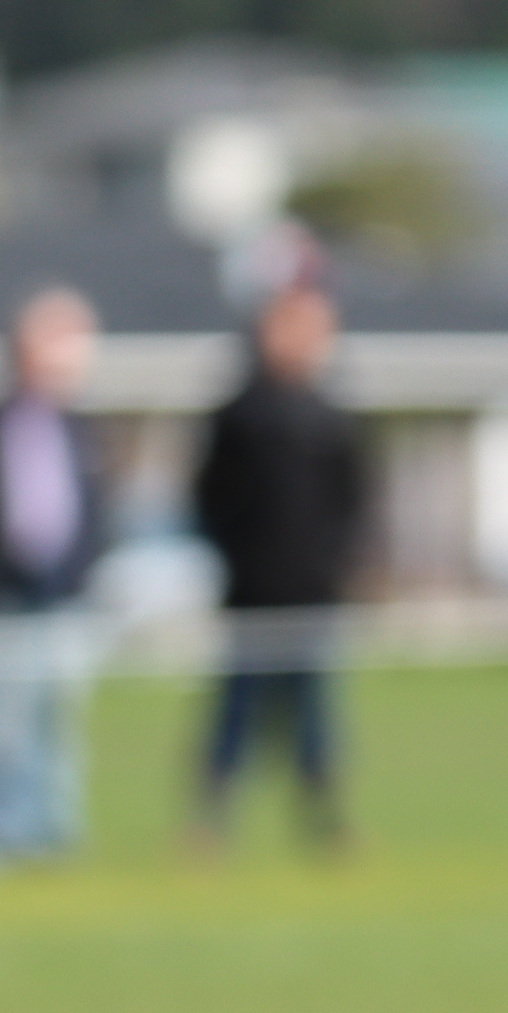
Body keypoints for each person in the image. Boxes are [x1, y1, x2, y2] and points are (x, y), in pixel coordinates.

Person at [190, 273, 371, 852]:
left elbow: (353, 503)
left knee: (315, 721)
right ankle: (210, 824)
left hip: (313, 594)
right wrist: (238, 558)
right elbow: (211, 499)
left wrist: (336, 564)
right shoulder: (241, 415)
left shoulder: (330, 417)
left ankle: (327, 824)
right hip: (251, 593)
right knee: (236, 717)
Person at [0, 286, 106, 860]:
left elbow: (93, 510)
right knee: (0, 728)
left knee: (60, 723)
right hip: (4, 592)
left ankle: (54, 836)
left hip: (64, 593)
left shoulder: (81, 427)